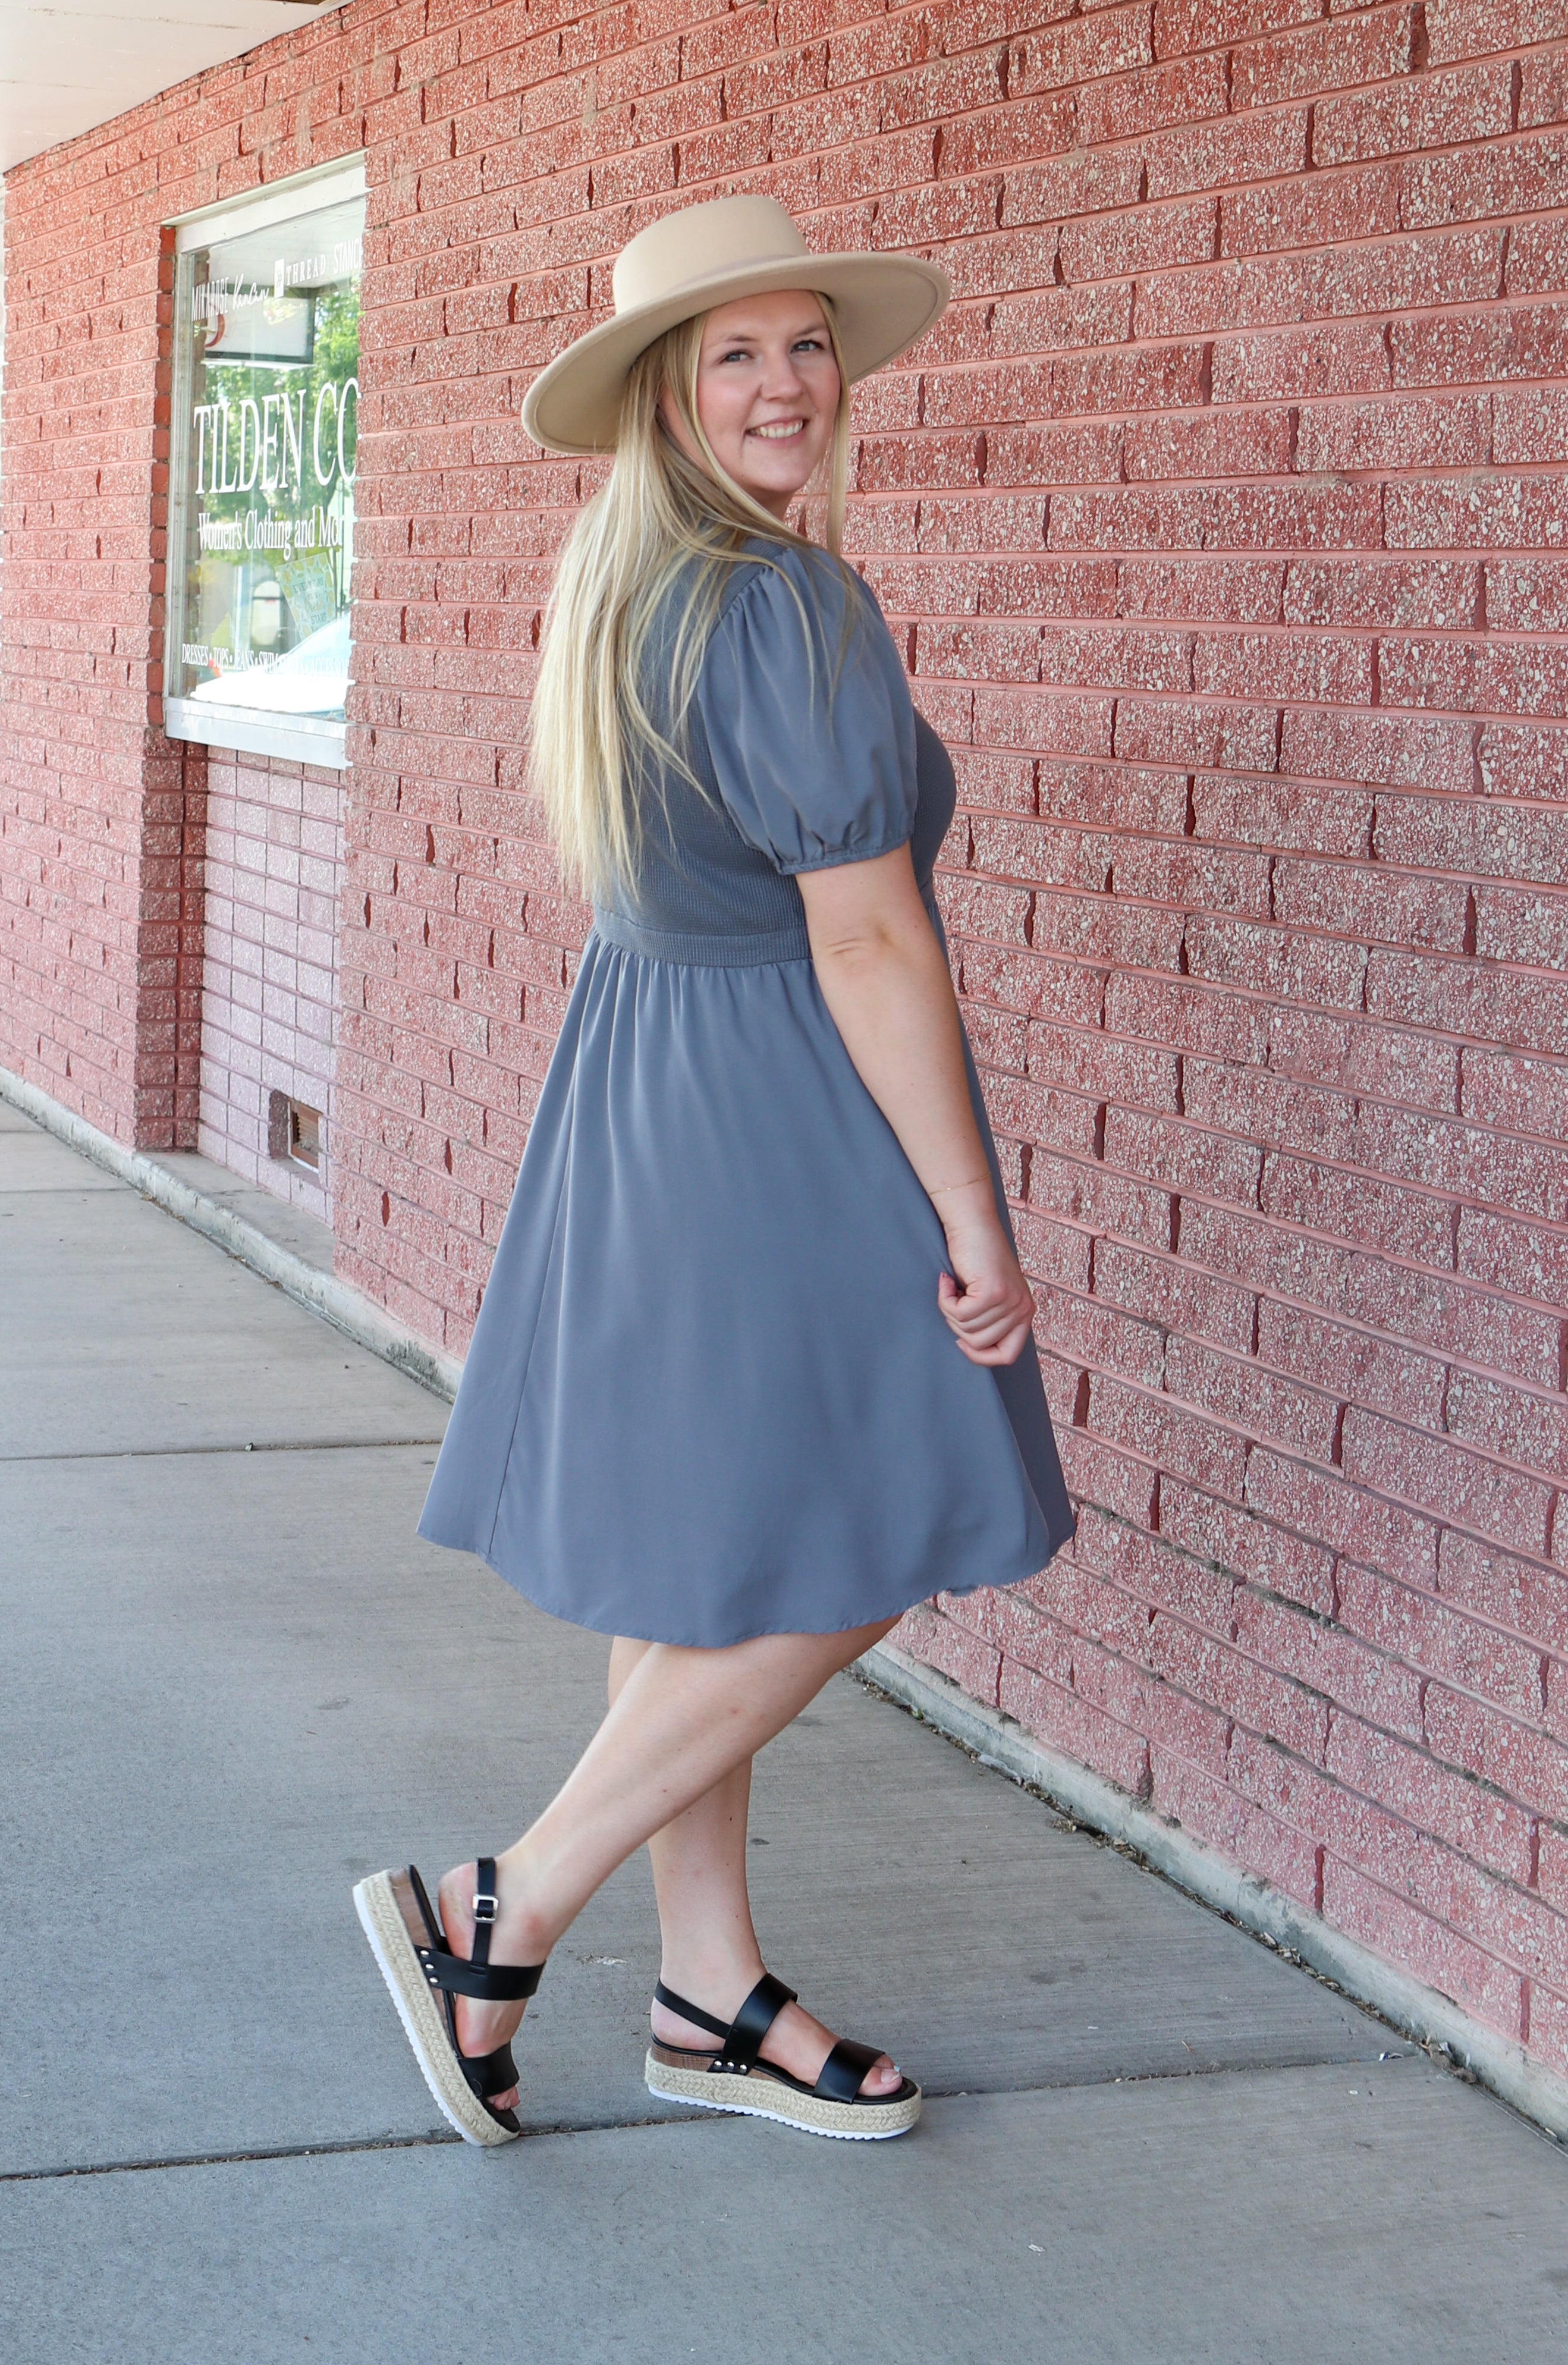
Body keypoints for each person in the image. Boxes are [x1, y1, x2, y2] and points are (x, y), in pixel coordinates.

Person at [355, 196, 1073, 2149]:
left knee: (708, 1540)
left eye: (804, 343)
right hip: (778, 1103)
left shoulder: (632, 588)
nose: (782, 381)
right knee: (907, 1496)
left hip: (650, 1086)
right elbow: (867, 939)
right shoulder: (784, 601)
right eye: (733, 351)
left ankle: (706, 1981)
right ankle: (503, 1904)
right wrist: (974, 1215)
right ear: (668, 393)